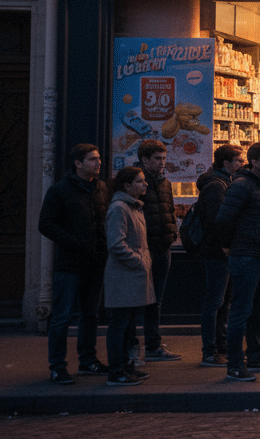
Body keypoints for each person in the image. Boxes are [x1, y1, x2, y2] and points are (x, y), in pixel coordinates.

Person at [213, 142, 260, 381]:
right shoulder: (242, 185)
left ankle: (254, 355)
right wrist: (228, 245)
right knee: (241, 311)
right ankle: (235, 364)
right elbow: (223, 219)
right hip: (246, 255)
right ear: (254, 161)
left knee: (257, 310)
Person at [39, 143, 110, 384]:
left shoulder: (101, 188)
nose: (98, 163)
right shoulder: (60, 190)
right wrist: (74, 242)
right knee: (62, 316)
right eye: (92, 159)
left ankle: (88, 360)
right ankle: (57, 366)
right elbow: (46, 224)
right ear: (78, 163)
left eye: (98, 158)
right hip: (70, 264)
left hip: (96, 262)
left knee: (91, 315)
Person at [102, 167, 156, 386]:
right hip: (125, 275)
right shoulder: (120, 208)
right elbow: (116, 243)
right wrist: (138, 261)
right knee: (120, 324)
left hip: (133, 275)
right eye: (140, 181)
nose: (145, 185)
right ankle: (117, 370)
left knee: (129, 324)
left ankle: (126, 366)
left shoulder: (133, 207)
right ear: (127, 185)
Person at [196, 144, 243, 367]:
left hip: (225, 250)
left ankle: (221, 346)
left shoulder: (226, 181)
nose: (242, 164)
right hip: (217, 251)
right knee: (215, 302)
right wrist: (225, 244)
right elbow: (218, 219)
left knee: (224, 302)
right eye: (238, 161)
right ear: (226, 163)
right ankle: (210, 350)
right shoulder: (216, 185)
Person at [135, 139, 180, 362]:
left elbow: (169, 210)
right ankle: (133, 347)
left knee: (156, 300)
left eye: (164, 158)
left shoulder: (165, 183)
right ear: (144, 159)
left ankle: (153, 345)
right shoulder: (135, 182)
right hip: (142, 250)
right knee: (137, 300)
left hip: (163, 248)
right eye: (157, 159)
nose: (162, 163)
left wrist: (172, 234)